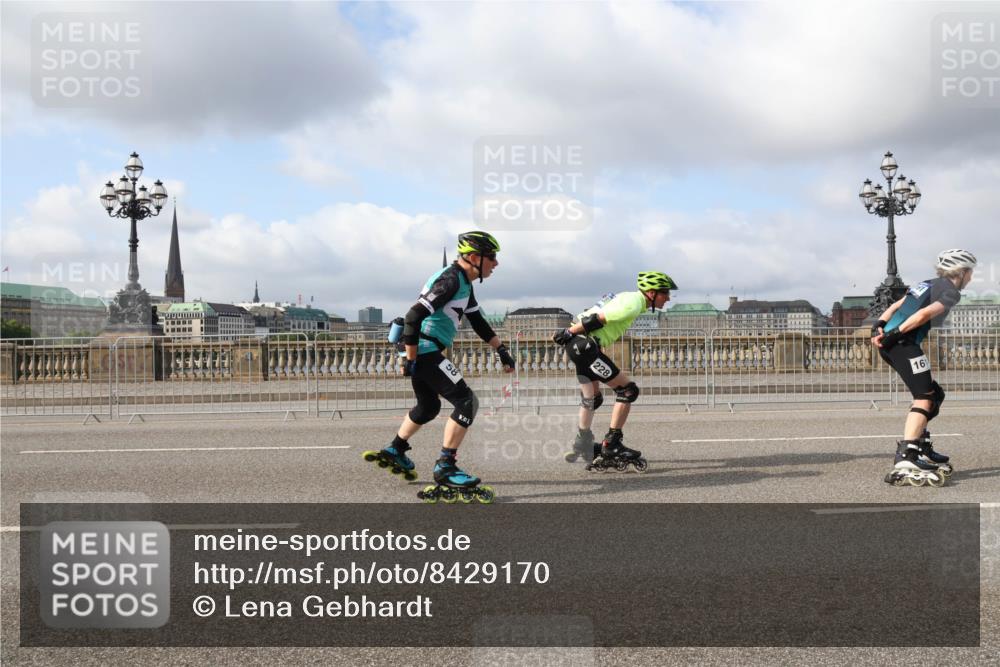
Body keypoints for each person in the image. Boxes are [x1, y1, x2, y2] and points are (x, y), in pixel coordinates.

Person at [363, 231, 515, 503]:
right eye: (492, 257)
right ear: (473, 258)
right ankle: (446, 465)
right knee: (467, 402)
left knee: (429, 407)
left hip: (423, 350)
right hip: (425, 350)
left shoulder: (465, 283)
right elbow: (412, 317)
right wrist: (410, 359)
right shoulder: (450, 280)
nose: (496, 263)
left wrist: (501, 350)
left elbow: (478, 321)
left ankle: (396, 449)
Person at [552, 271, 677, 472]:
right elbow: (598, 318)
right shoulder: (634, 302)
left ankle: (582, 441)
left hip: (580, 346)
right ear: (652, 293)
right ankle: (612, 444)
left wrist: (571, 335)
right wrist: (568, 332)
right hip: (585, 346)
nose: (668, 298)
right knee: (628, 391)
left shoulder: (627, 297)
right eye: (665, 293)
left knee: (592, 398)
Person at [872, 248, 977, 487]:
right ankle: (908, 455)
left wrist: (880, 325)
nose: (970, 278)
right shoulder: (951, 292)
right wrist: (893, 335)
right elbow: (923, 315)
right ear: (960, 272)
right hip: (903, 344)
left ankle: (921, 446)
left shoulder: (926, 283)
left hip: (895, 342)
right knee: (924, 397)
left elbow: (897, 305)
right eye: (970, 273)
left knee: (934, 394)